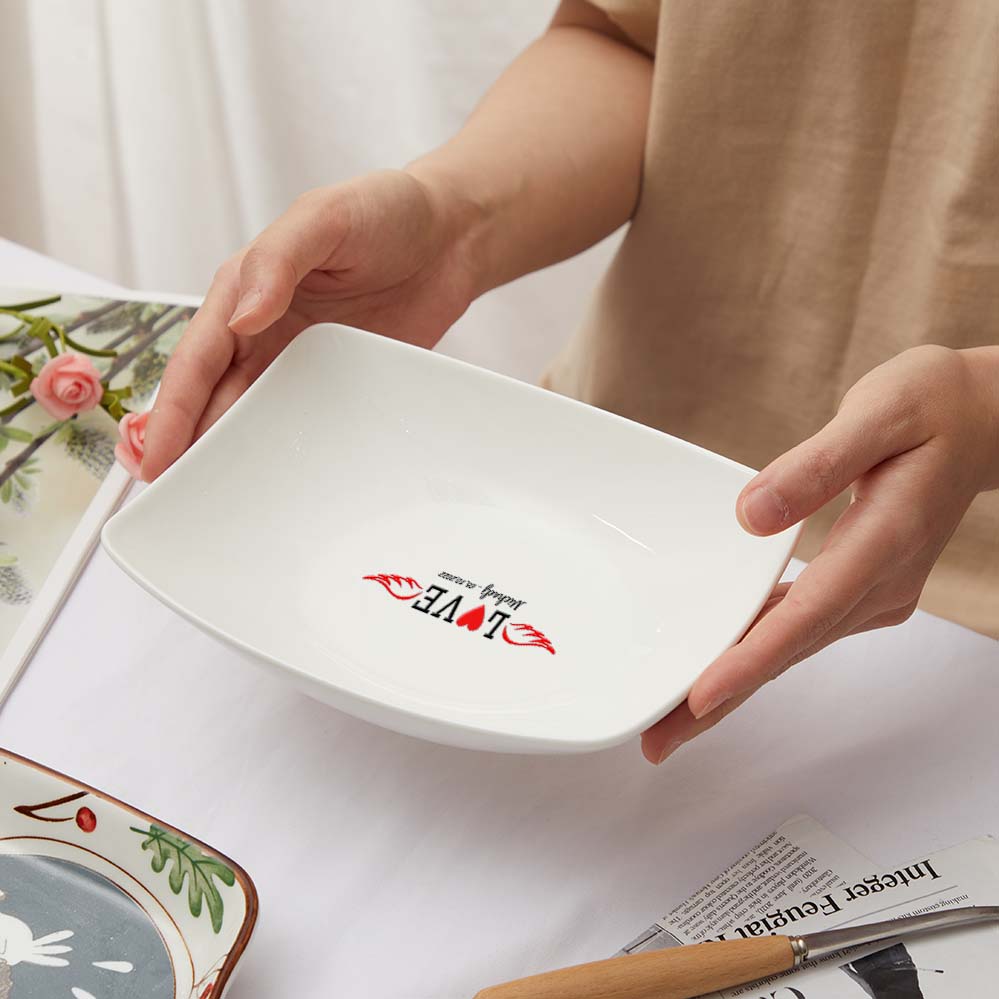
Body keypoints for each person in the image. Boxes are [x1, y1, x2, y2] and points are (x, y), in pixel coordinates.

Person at [142, 1, 999, 764]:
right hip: (591, 480)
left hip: (962, 612)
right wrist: (451, 218)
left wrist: (984, 416)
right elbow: (631, 42)